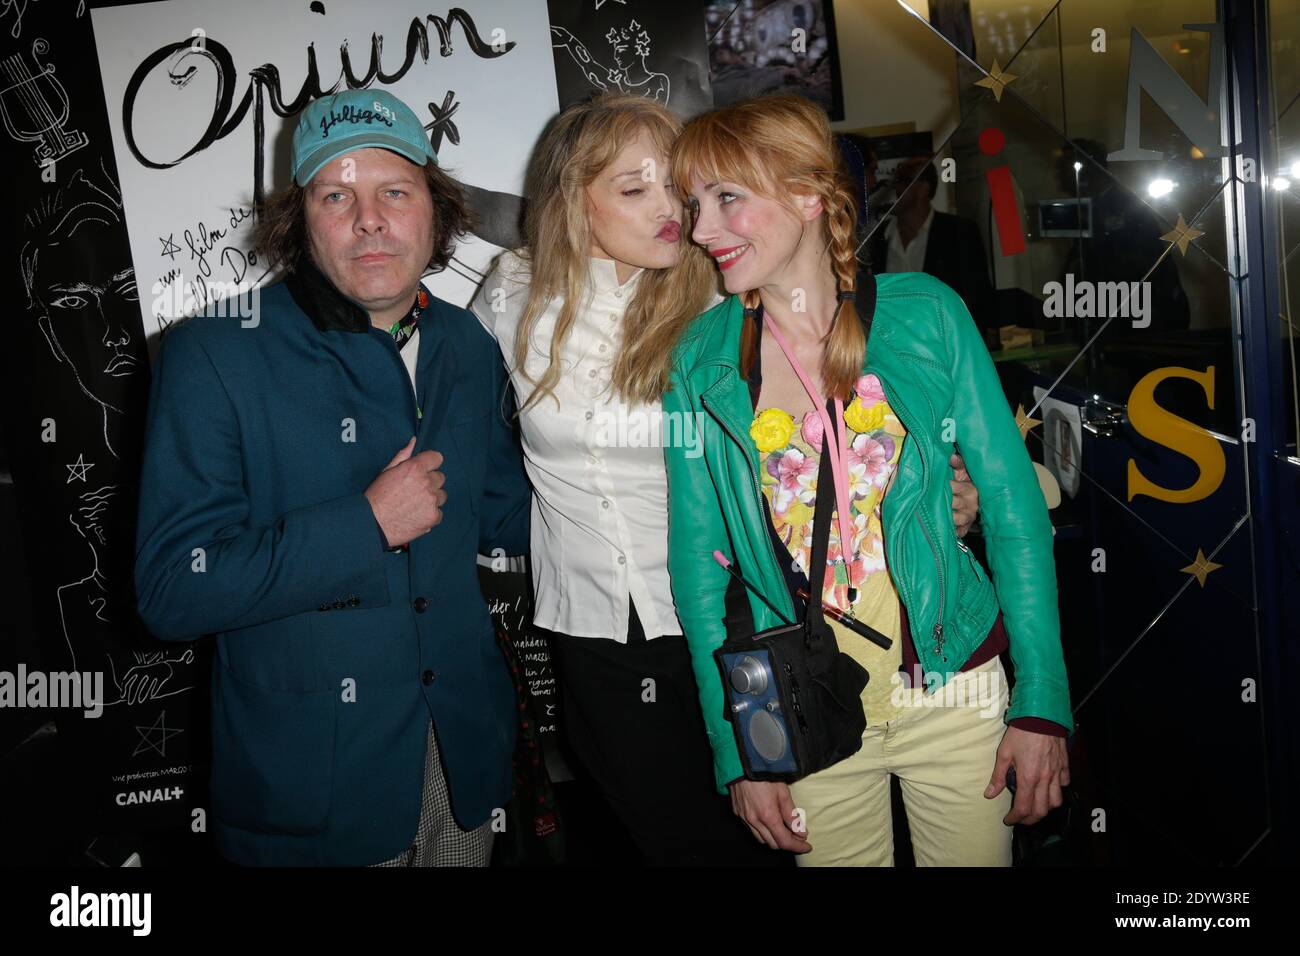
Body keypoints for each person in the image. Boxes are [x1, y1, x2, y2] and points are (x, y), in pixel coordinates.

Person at [470, 92, 980, 865]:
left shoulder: (724, 292)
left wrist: (944, 493)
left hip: (738, 617)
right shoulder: (512, 296)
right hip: (594, 631)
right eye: (633, 190)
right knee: (664, 838)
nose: (672, 211)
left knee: (774, 835)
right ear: (575, 200)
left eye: (674, 187)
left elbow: (851, 414)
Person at [664, 94, 1073, 866]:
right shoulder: (698, 360)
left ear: (810, 195)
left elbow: (1016, 511)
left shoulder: (927, 317)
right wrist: (740, 748)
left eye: (726, 199)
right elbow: (697, 568)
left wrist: (1043, 702)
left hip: (955, 689)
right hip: (801, 703)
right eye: (694, 204)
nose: (700, 230)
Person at [134, 89, 530, 866]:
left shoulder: (467, 342)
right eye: (336, 195)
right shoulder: (212, 352)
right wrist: (367, 525)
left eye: (394, 192)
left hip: (464, 764)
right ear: (299, 217)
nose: (370, 220)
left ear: (435, 209)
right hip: (313, 792)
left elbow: (505, 518)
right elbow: (172, 590)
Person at [868, 156, 998, 338]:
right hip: (893, 350)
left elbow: (978, 298)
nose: (895, 189)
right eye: (895, 181)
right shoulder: (879, 237)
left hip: (946, 346)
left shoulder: (958, 232)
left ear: (923, 188)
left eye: (903, 181)